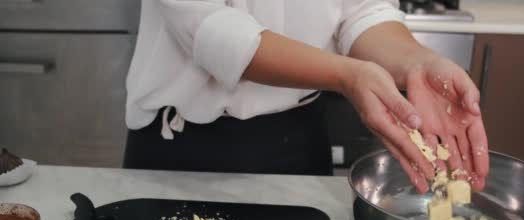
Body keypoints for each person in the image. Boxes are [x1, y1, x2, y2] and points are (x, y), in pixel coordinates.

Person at [123, 0, 489, 193]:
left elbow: (364, 11)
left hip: (298, 140)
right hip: (183, 149)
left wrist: (417, 63)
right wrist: (346, 75)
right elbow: (211, 29)